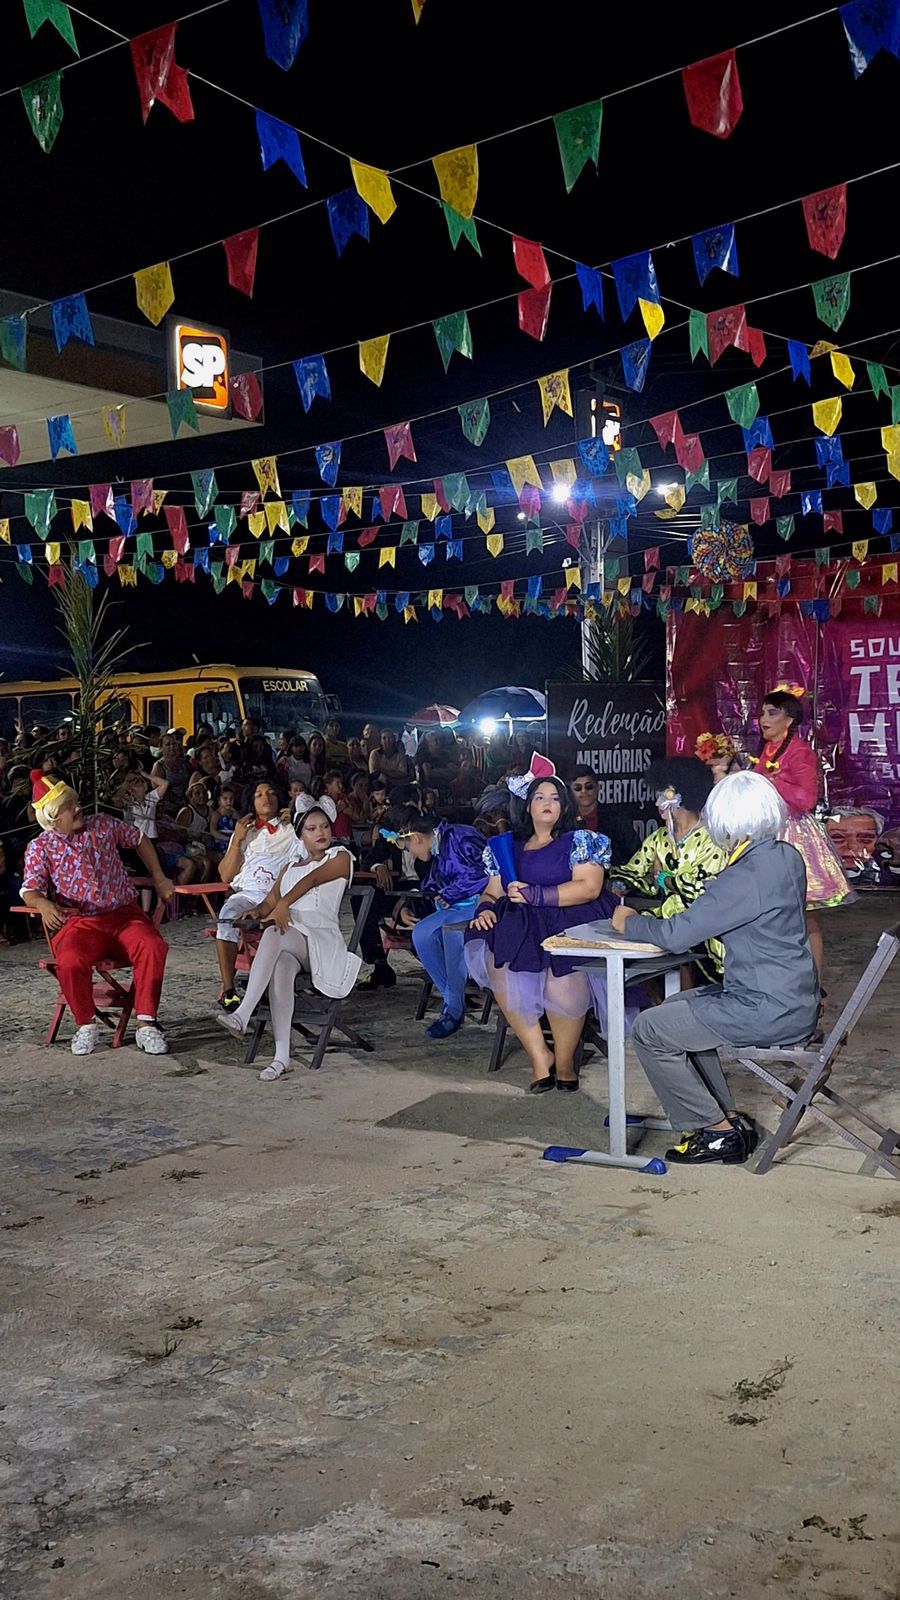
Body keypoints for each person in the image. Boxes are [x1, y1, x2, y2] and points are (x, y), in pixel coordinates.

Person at [619, 770, 819, 1166]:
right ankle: (723, 1119)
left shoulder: (744, 876)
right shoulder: (786, 857)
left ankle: (715, 1131)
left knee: (649, 1029)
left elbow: (677, 935)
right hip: (791, 996)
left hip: (766, 1007)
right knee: (674, 1011)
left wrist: (630, 922)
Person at [464, 755, 615, 1092]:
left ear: (565, 806)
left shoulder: (580, 840)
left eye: (555, 798)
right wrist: (484, 909)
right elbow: (492, 891)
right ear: (528, 806)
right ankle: (539, 1056)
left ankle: (565, 1062)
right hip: (521, 925)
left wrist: (537, 895)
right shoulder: (508, 847)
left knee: (563, 985)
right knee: (502, 970)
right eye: (540, 797)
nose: (548, 803)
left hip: (570, 921)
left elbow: (589, 888)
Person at [20, 771, 174, 1055]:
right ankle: (85, 1024)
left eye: (76, 802)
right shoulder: (40, 847)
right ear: (53, 817)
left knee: (153, 945)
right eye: (69, 806)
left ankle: (146, 1024)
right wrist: (42, 904)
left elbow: (140, 838)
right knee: (69, 960)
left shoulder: (103, 823)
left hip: (124, 916)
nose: (78, 808)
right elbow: (30, 889)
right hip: (82, 923)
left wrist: (159, 877)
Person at [216, 795, 361, 1080]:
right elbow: (269, 902)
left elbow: (313, 879)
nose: (320, 833)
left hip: (321, 941)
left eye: (324, 827)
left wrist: (284, 905)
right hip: (292, 940)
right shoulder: (290, 866)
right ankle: (282, 1057)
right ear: (300, 835)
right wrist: (256, 911)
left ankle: (243, 1013)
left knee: (275, 931)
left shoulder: (341, 856)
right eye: (312, 828)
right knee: (281, 965)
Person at [749, 684, 852, 980]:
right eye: (762, 713)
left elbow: (806, 799)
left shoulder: (800, 752)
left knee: (805, 916)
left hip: (793, 837)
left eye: (772, 713)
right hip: (767, 833)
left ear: (790, 719)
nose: (763, 719)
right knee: (769, 913)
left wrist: (773, 781)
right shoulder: (767, 750)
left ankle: (814, 984)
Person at [612, 757, 728, 980]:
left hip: (704, 929)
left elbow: (700, 889)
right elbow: (635, 870)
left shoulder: (711, 839)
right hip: (668, 924)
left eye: (663, 795)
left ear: (683, 795)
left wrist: (663, 878)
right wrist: (620, 884)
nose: (657, 803)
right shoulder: (659, 838)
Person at [390, 810, 490, 1038]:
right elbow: (431, 885)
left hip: (485, 902)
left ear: (416, 838)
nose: (412, 854)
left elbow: (486, 872)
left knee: (452, 930)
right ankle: (451, 997)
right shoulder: (438, 848)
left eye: (409, 848)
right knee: (421, 933)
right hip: (457, 906)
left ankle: (453, 1008)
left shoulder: (462, 836)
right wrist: (407, 903)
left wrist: (450, 893)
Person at [214, 780, 296, 1010]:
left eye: (271, 792)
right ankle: (229, 990)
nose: (265, 797)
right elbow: (225, 875)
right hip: (247, 895)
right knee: (226, 916)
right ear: (251, 801)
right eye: (258, 794)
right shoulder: (245, 831)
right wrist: (237, 840)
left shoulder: (292, 829)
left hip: (279, 899)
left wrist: (298, 819)